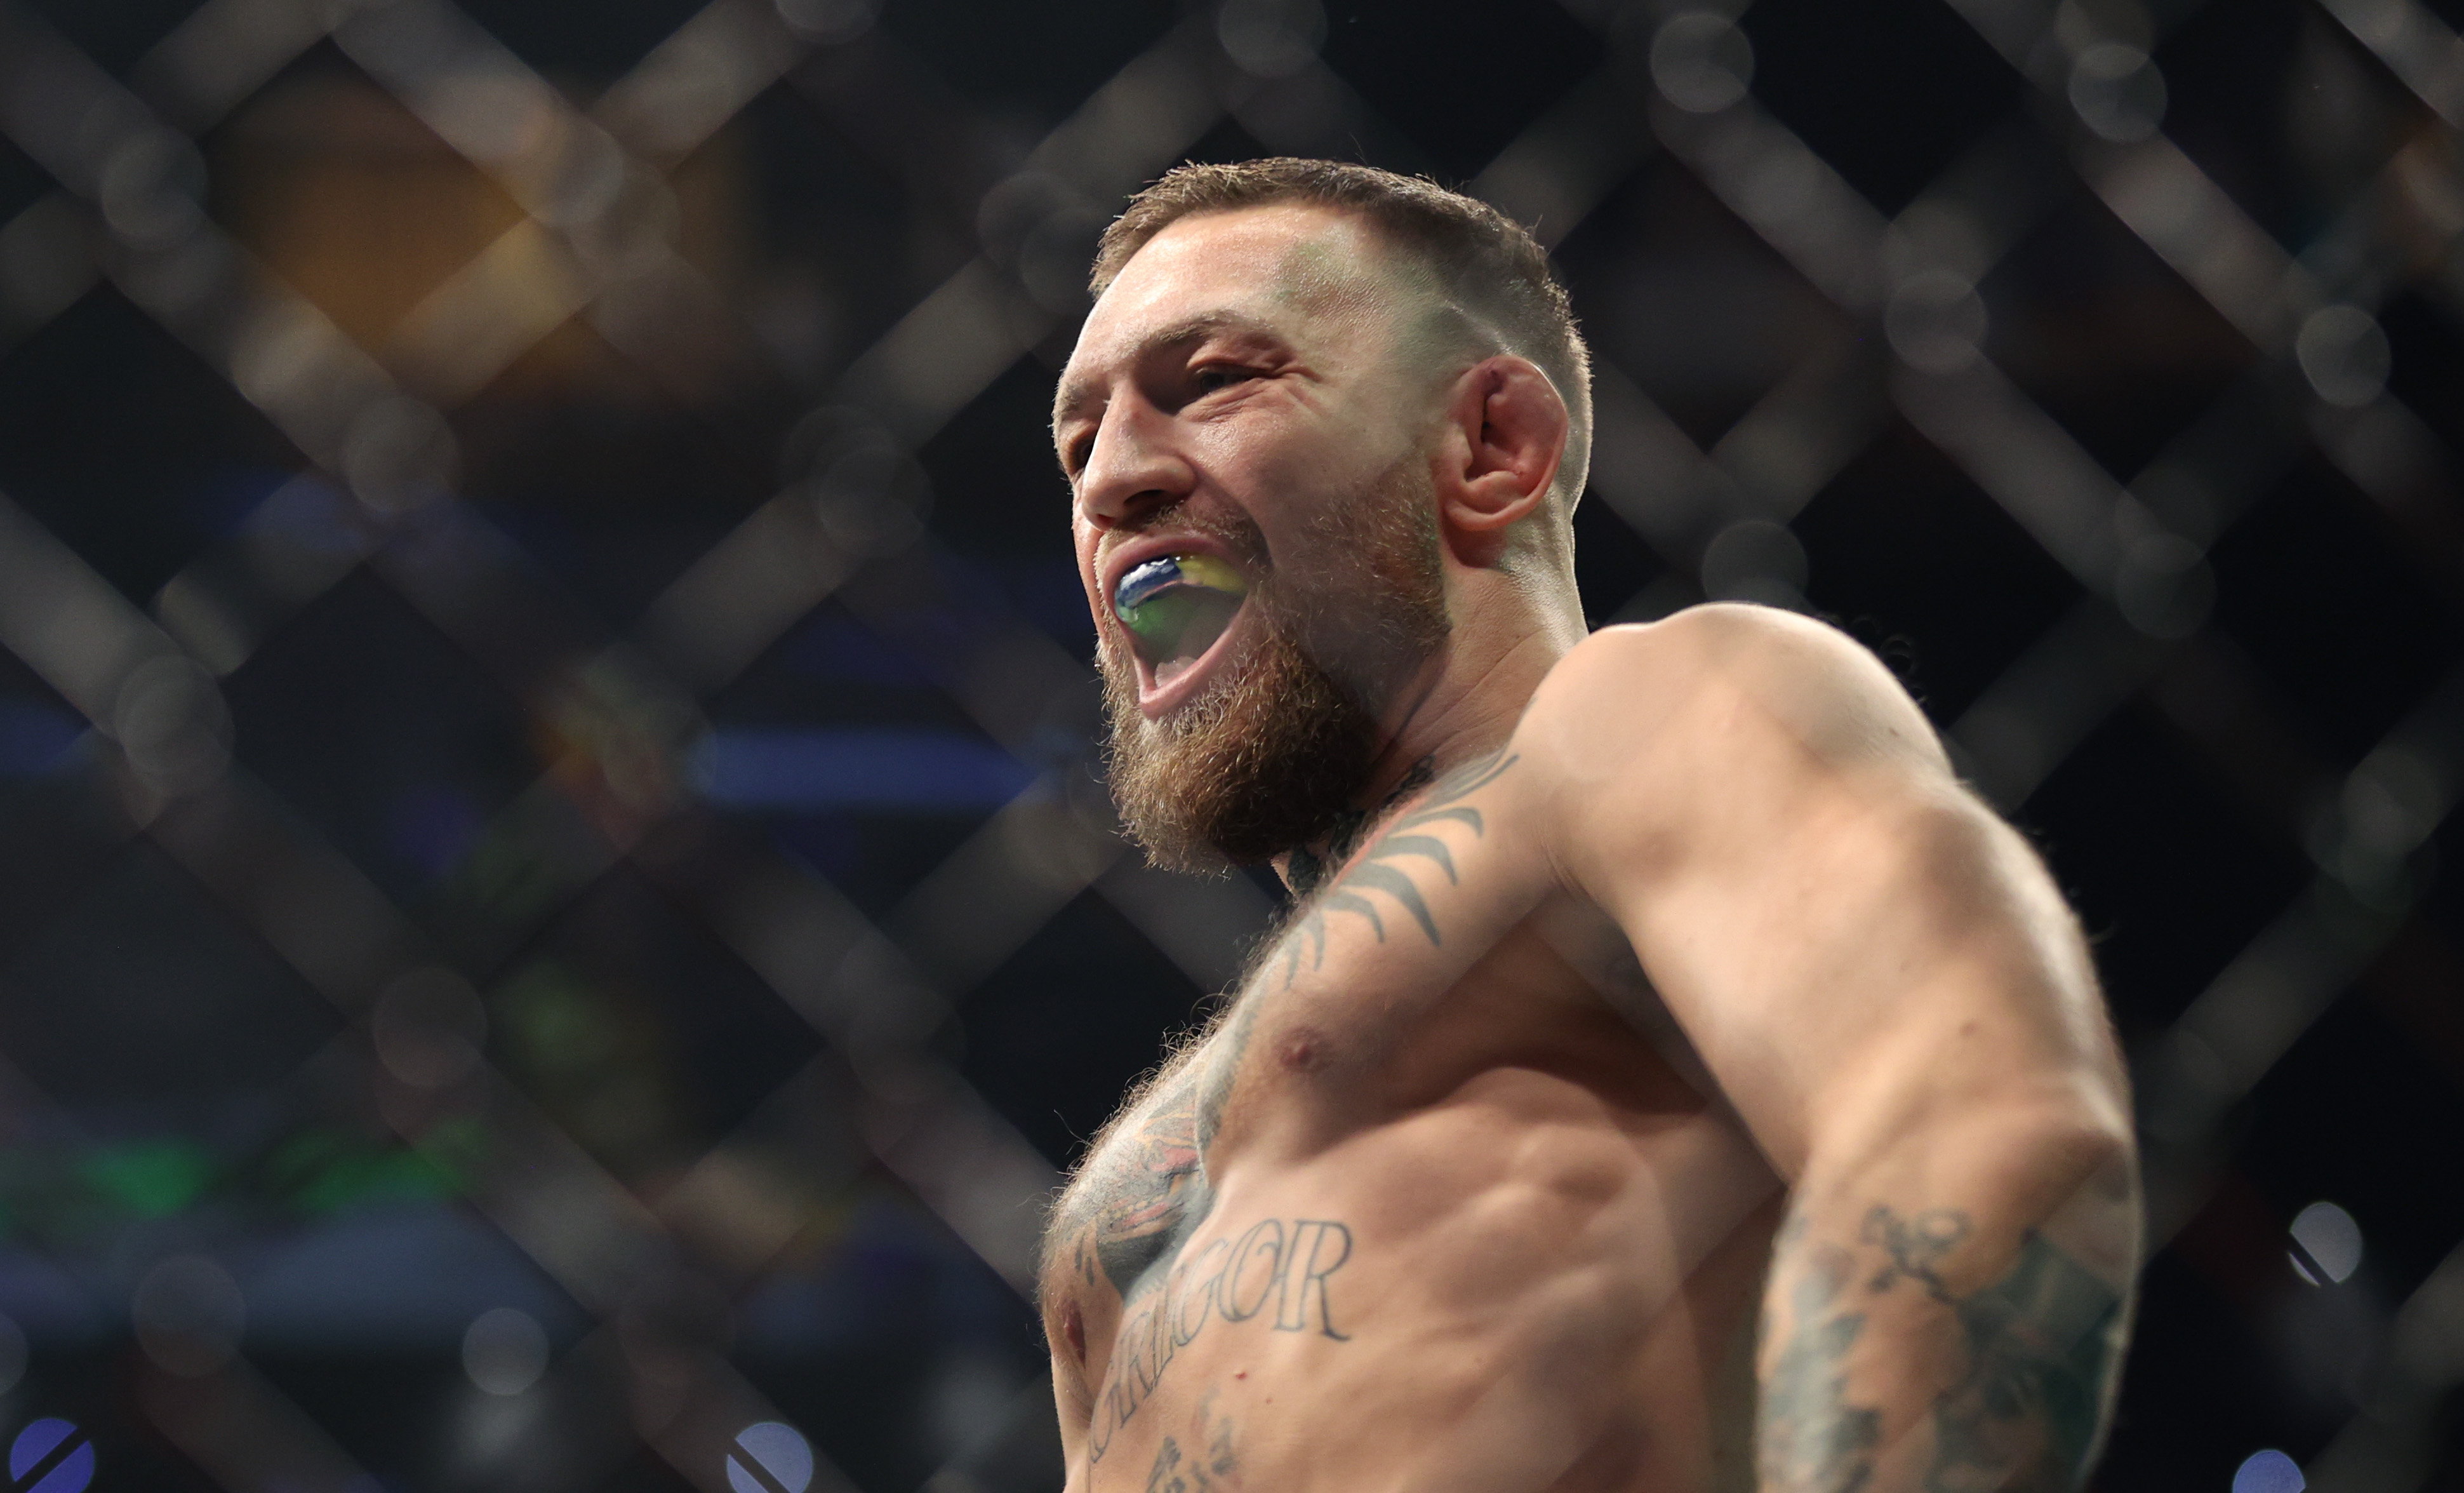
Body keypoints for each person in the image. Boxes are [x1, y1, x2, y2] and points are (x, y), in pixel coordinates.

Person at [1039, 157, 2138, 1493]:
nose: (1114, 480)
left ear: (1490, 447)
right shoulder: (1148, 1159)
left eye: (1211, 380)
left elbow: (1977, 1126)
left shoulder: (1646, 721)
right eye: (1080, 438)